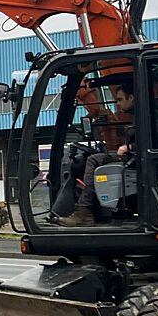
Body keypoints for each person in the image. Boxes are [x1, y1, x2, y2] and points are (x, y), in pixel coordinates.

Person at [59, 80, 136, 227]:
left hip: (137, 157)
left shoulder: (145, 115)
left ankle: (84, 211)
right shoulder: (134, 115)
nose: (118, 104)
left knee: (93, 160)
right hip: (134, 155)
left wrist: (129, 147)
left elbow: (156, 139)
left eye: (120, 100)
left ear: (131, 97)